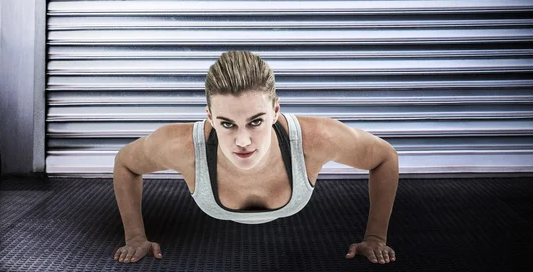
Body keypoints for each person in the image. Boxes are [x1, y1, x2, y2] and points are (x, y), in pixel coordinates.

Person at [113, 51, 399, 264]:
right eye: (227, 124)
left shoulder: (316, 139)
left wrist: (375, 237)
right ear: (210, 117)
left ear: (275, 111)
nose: (242, 141)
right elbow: (125, 163)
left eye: (255, 122)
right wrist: (135, 236)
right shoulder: (180, 145)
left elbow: (384, 156)